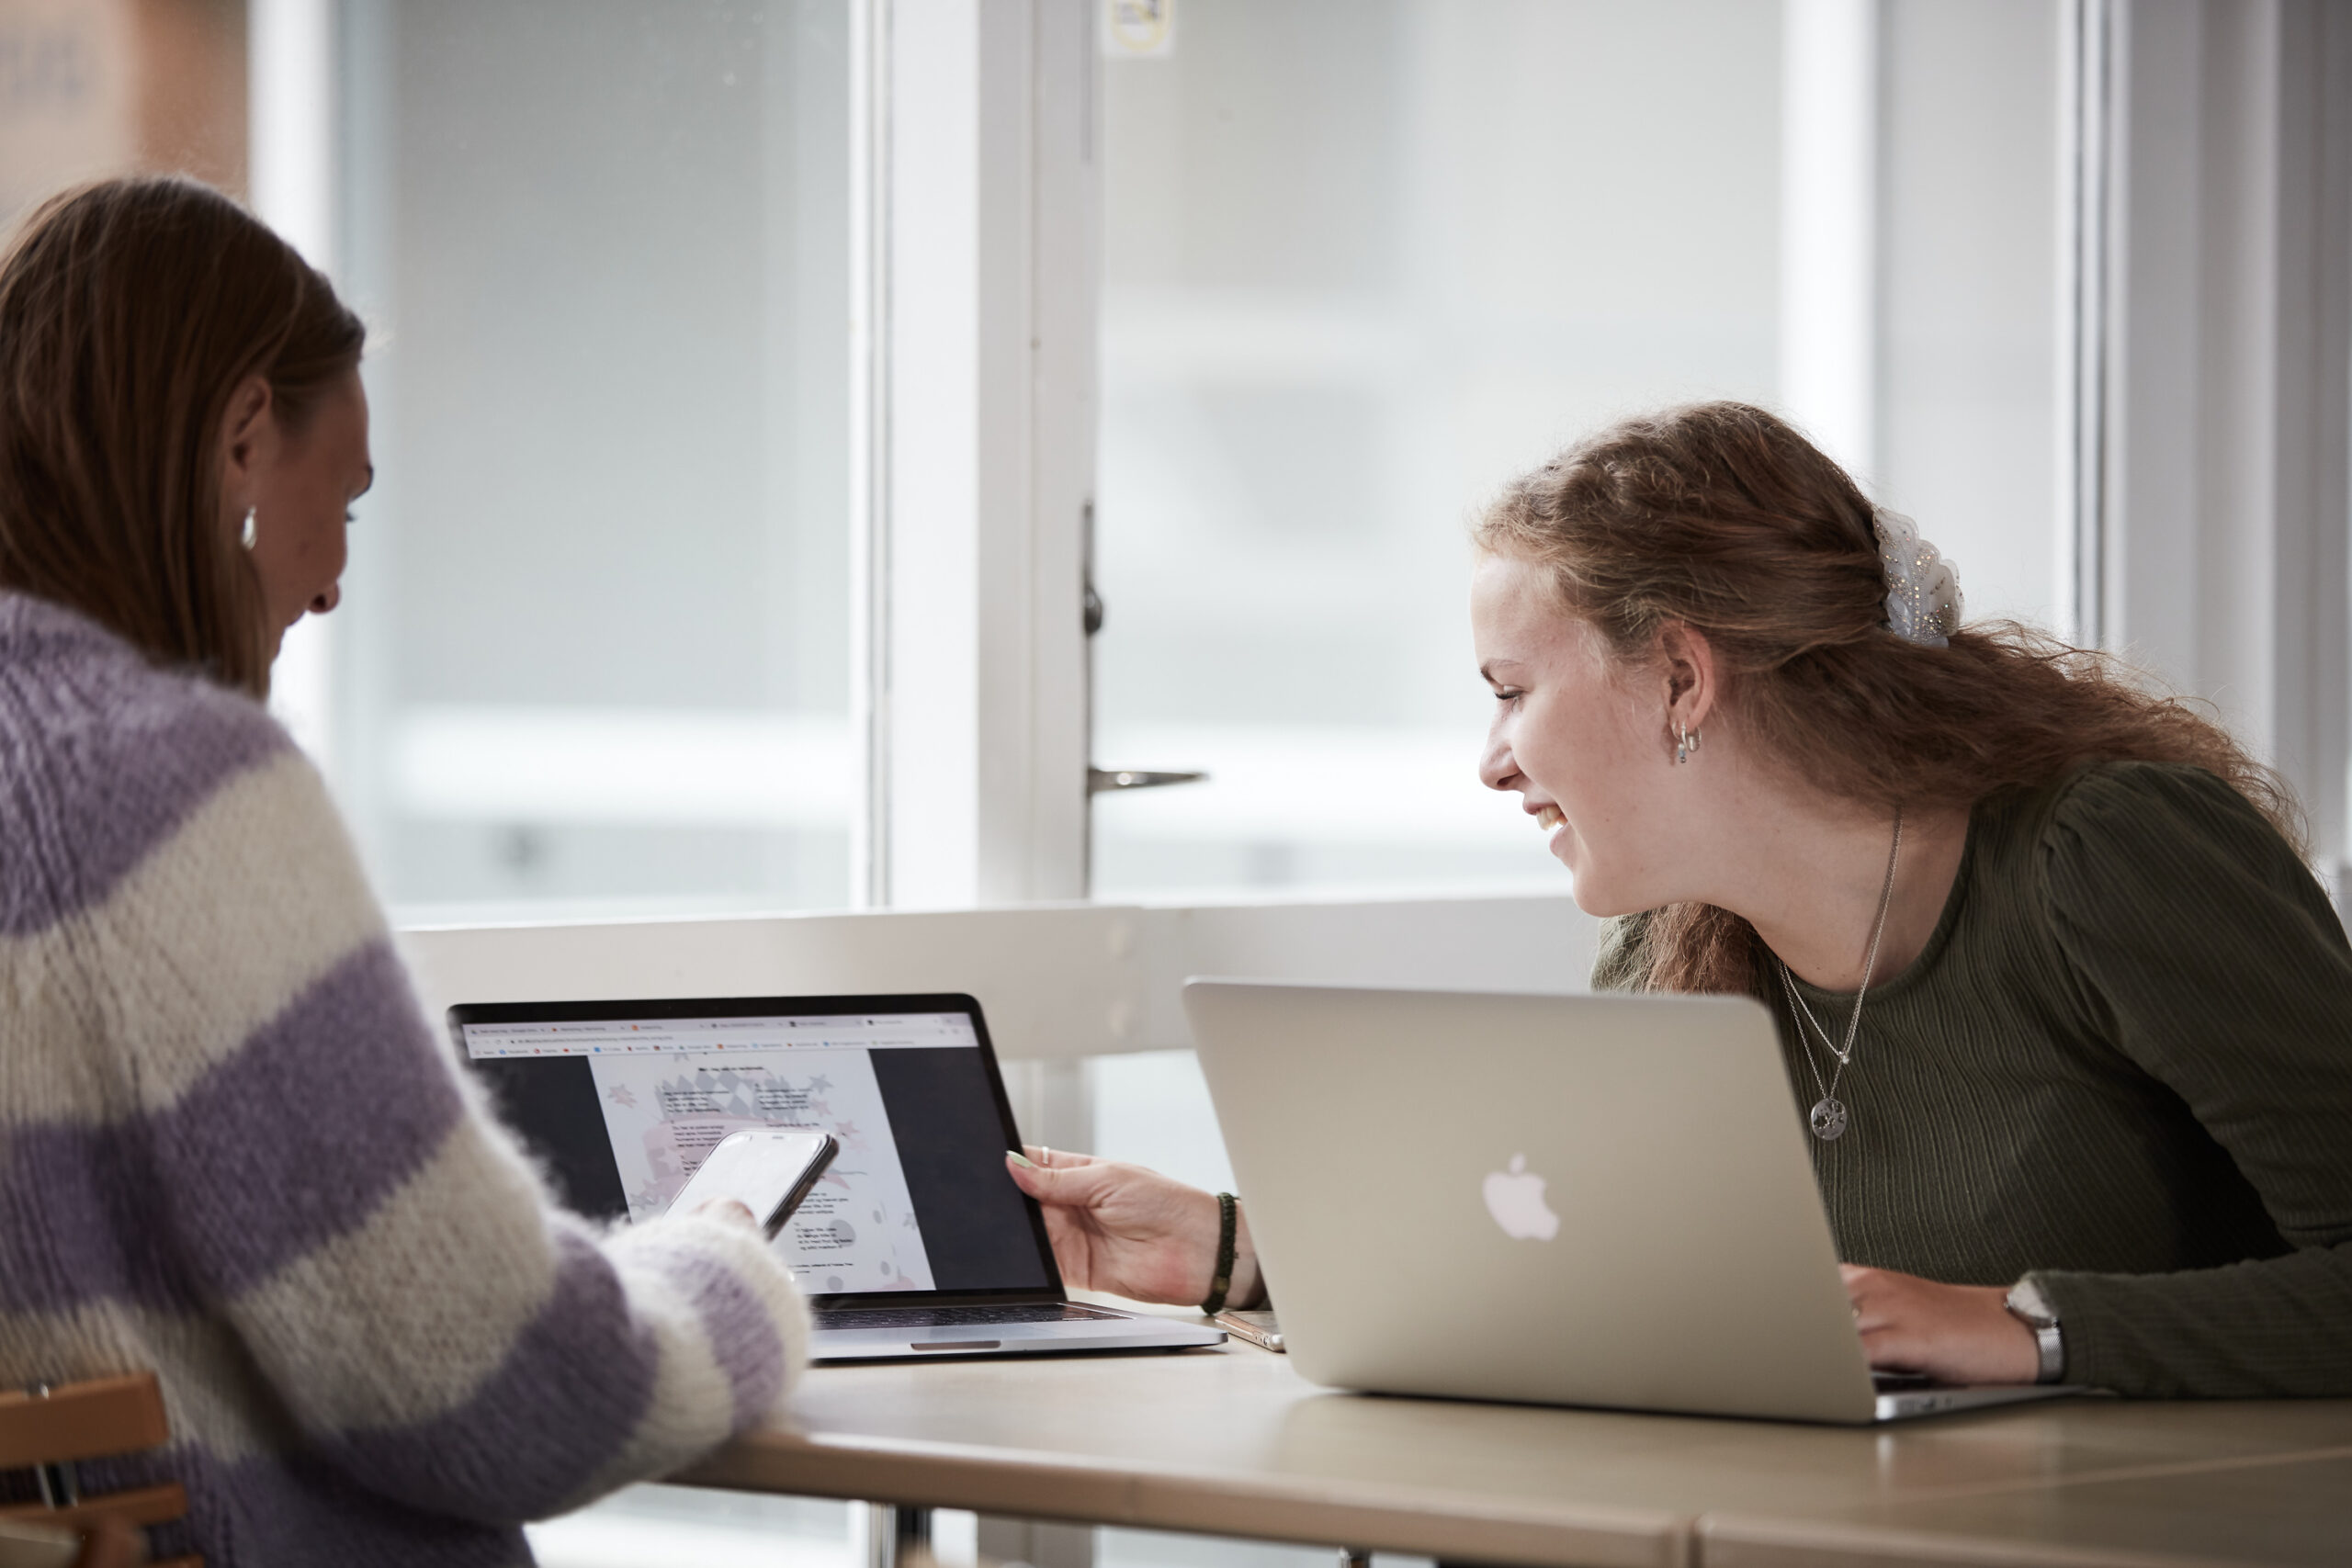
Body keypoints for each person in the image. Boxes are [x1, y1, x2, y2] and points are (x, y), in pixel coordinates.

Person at [1009, 400, 2352, 1400]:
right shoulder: (1677, 931)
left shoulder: (2107, 853)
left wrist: (2033, 1327)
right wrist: (1244, 1252)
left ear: (1680, 679)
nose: (1490, 762)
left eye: (1510, 691)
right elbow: (1606, 1288)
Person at [0, 177, 807, 1563]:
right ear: (245, 439)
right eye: (347, 502)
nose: (328, 585)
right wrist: (729, 1253)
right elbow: (535, 1396)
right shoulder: (161, 792)